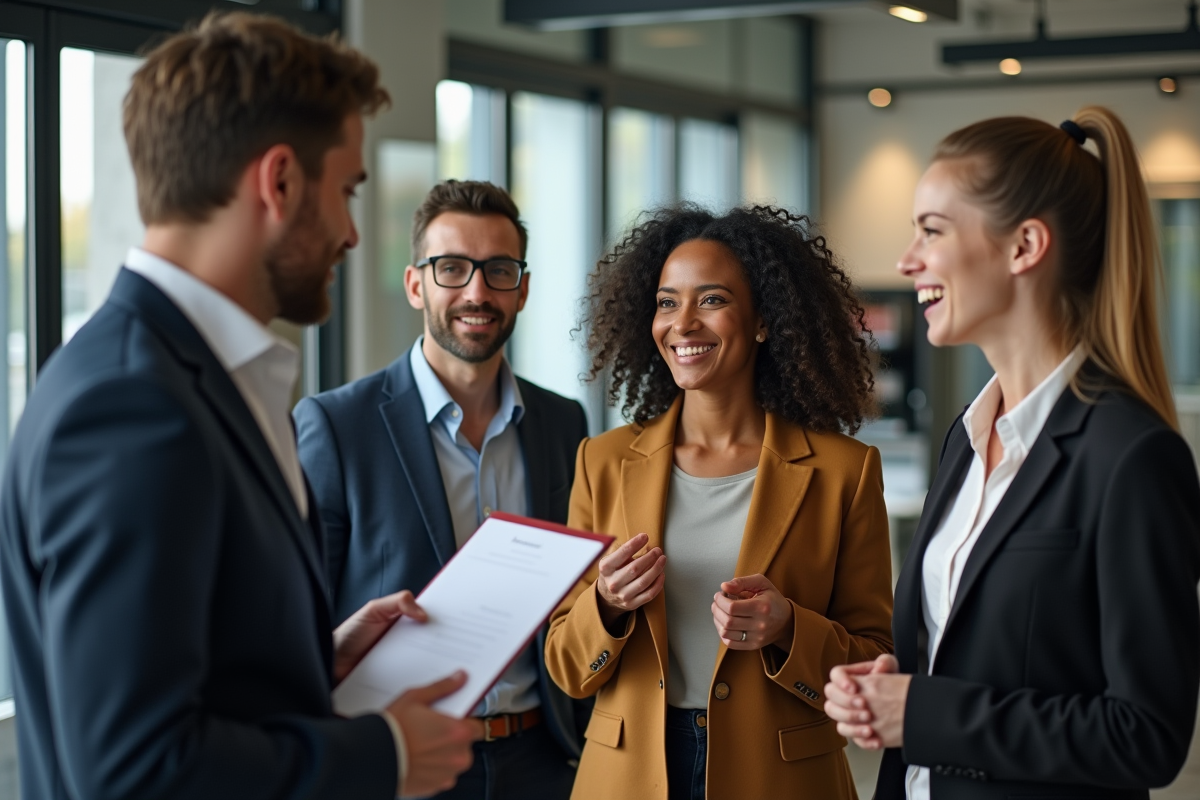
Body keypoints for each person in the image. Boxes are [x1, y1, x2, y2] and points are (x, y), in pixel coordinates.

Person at [0, 14, 478, 800]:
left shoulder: (184, 376)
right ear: (280, 181)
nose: (355, 234)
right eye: (347, 190)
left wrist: (312, 659)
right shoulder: (131, 407)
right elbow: (132, 771)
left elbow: (177, 673)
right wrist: (384, 754)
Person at [823, 108, 1200, 799]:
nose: (907, 261)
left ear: (1024, 245)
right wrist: (896, 689)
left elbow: (1147, 736)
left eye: (931, 231)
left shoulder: (1132, 457)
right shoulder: (965, 440)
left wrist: (925, 712)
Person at [543, 204, 896, 800]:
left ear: (762, 321)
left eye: (711, 300)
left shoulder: (844, 472)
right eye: (666, 302)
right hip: (628, 775)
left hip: (780, 775)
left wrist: (789, 627)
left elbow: (876, 659)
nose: (683, 323)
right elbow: (567, 666)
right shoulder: (600, 463)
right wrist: (604, 605)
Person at [295, 179, 590, 800]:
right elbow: (300, 621)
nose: (477, 291)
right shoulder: (336, 425)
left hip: (541, 758)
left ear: (524, 288)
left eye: (499, 270)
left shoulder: (564, 424)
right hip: (401, 764)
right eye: (452, 268)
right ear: (415, 284)